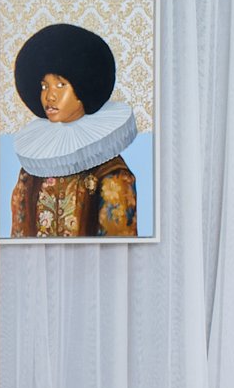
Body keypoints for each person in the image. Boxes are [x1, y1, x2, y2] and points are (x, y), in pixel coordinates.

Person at [8, 22, 138, 238]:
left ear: (82, 88)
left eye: (60, 85)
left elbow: (117, 247)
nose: (50, 96)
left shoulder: (112, 174)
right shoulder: (30, 172)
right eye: (44, 86)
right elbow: (18, 236)